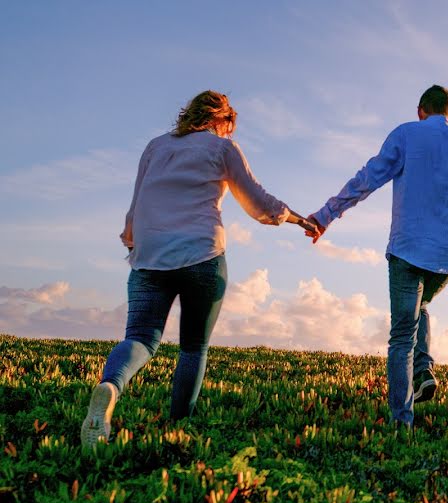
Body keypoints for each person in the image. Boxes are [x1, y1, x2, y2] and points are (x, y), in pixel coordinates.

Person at [81, 90, 312, 446]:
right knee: (193, 347)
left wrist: (134, 240)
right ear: (222, 119)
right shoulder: (222, 149)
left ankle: (110, 385)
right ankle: (176, 430)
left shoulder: (155, 147)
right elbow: (258, 202)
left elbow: (135, 204)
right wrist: (298, 220)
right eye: (229, 125)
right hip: (202, 255)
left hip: (149, 257)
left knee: (140, 338)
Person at [305, 84, 448, 427]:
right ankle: (423, 370)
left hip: (407, 250)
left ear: (420, 111)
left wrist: (326, 215)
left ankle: (401, 420)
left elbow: (368, 179)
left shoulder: (406, 135)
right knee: (421, 307)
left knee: (402, 335)